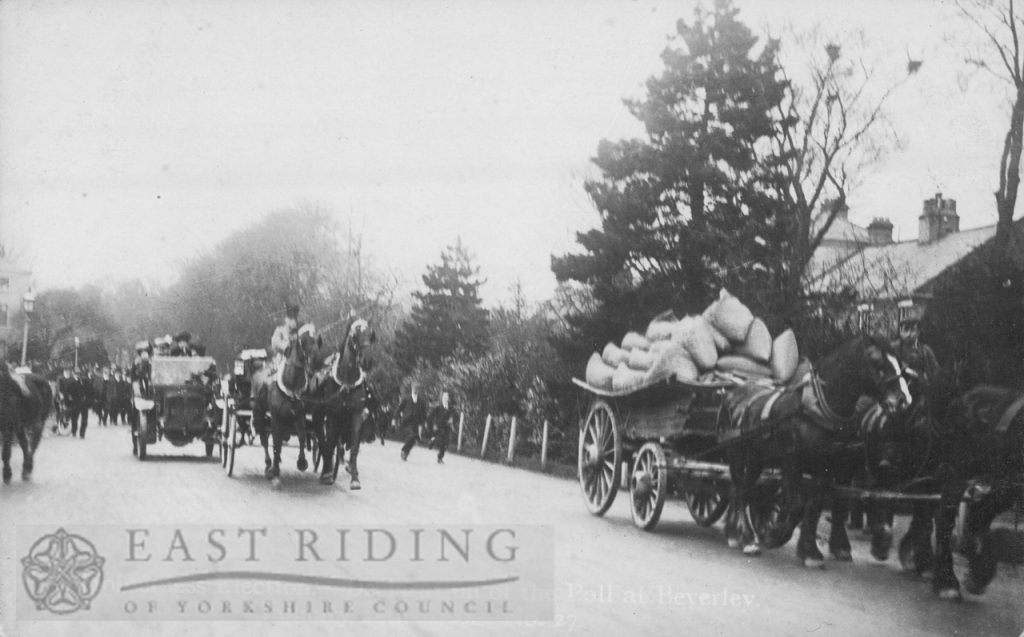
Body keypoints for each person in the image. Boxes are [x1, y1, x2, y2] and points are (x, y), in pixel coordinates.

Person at [393, 382, 428, 461]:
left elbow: (423, 413)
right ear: (412, 388)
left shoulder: (421, 401)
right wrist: (395, 420)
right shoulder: (406, 398)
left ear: (418, 390)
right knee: (412, 436)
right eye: (414, 388)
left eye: (417, 388)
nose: (415, 390)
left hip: (415, 423)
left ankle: (405, 453)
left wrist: (424, 422)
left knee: (415, 439)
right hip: (407, 422)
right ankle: (404, 450)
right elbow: (399, 409)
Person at [427, 390, 457, 464]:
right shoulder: (438, 407)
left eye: (447, 396)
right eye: (444, 396)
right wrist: (432, 425)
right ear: (442, 397)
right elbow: (431, 417)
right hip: (438, 427)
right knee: (439, 441)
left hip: (447, 428)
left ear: (448, 398)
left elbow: (456, 416)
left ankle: (440, 458)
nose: (446, 398)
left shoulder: (451, 408)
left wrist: (452, 420)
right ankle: (432, 441)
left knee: (445, 444)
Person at [270, 303, 301, 370]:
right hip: (283, 358)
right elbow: (275, 342)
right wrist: (286, 344)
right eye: (291, 318)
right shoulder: (280, 330)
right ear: (286, 319)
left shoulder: (299, 331)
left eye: (295, 318)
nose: (294, 321)